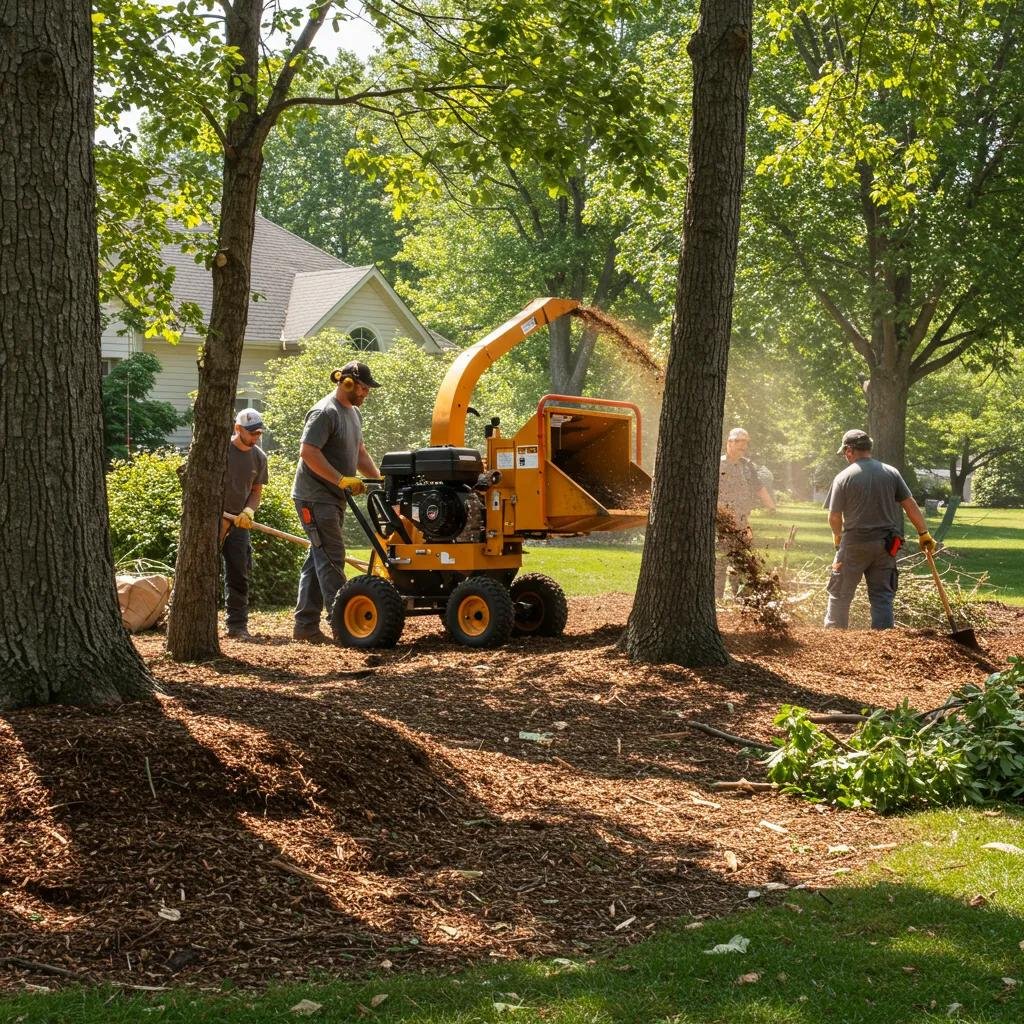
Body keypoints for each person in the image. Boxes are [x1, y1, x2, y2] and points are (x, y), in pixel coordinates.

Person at [292, 359, 381, 643]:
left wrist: (379, 480)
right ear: (347, 383)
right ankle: (343, 625)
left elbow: (359, 452)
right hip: (314, 497)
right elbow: (308, 452)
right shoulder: (324, 412)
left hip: (332, 498)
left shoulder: (354, 413)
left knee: (318, 558)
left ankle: (305, 625)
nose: (366, 393)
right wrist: (340, 479)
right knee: (332, 556)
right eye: (363, 388)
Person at [823, 429, 936, 630]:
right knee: (882, 596)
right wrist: (923, 533)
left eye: (845, 453)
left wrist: (837, 537)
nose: (845, 457)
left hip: (854, 544)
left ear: (849, 450)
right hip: (885, 546)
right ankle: (884, 639)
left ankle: (834, 635)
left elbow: (834, 516)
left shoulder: (843, 477)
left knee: (840, 593)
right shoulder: (891, 472)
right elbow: (910, 505)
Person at [222, 407, 269, 641]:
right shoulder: (220, 451)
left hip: (239, 522)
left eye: (258, 433)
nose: (255, 437)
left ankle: (237, 625)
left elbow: (256, 491)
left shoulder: (259, 458)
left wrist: (248, 512)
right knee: (202, 571)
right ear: (237, 429)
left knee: (239, 573)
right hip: (213, 519)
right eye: (251, 433)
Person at [716, 427, 777, 599]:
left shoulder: (747, 466)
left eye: (746, 443)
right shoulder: (718, 464)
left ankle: (739, 597)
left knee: (741, 560)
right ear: (730, 443)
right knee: (720, 560)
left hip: (742, 521)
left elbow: (758, 487)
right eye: (740, 443)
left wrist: (771, 507)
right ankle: (716, 598)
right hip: (721, 523)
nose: (744, 447)